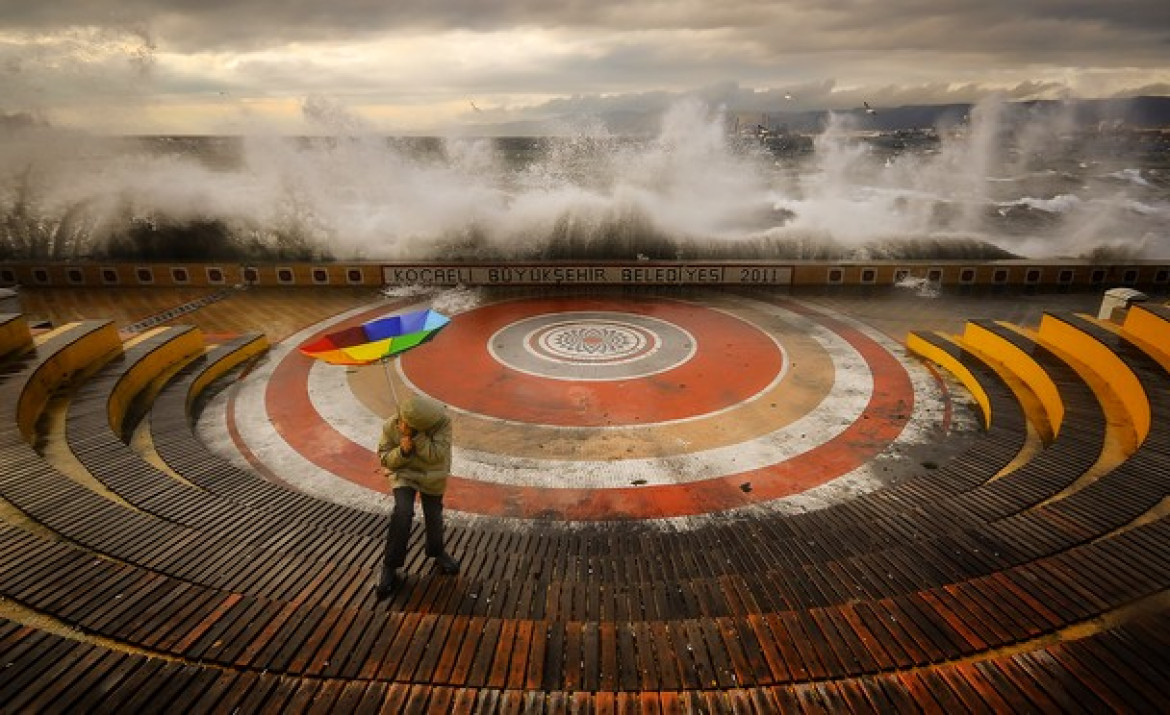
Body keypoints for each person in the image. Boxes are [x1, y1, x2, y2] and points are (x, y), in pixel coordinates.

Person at [375, 394, 459, 598]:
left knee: (433, 514)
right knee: (402, 512)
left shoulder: (442, 423)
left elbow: (436, 455)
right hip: (404, 473)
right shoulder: (391, 425)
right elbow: (385, 458)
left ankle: (436, 551)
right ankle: (390, 565)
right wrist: (402, 452)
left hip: (432, 475)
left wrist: (416, 438)